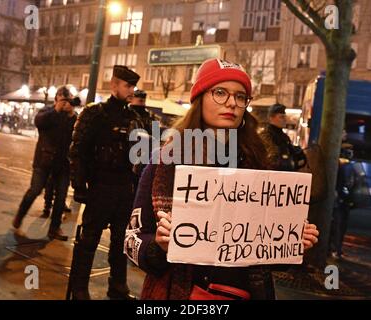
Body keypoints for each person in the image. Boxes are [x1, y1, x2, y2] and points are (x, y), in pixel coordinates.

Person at [124, 58, 319, 300]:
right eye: (220, 92)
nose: (231, 103)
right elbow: (132, 242)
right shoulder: (165, 161)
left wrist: (290, 240)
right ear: (199, 99)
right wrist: (160, 247)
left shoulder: (260, 165)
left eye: (240, 97)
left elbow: (266, 255)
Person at [68, 65, 143, 300]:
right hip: (100, 187)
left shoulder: (135, 118)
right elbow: (77, 150)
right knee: (88, 240)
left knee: (121, 243)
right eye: (127, 86)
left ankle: (118, 286)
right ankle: (80, 288)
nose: (132, 90)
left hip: (124, 189)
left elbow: (142, 157)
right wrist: (80, 187)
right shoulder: (95, 113)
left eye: (133, 86)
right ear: (114, 85)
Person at [12, 85, 77, 241]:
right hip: (44, 161)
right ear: (56, 99)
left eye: (68, 100)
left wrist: (71, 114)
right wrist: (56, 109)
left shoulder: (72, 117)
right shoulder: (47, 112)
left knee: (61, 198)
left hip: (63, 165)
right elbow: (39, 121)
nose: (66, 103)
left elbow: (77, 134)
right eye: (63, 100)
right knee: (35, 190)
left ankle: (54, 228)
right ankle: (19, 216)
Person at [330, 130, 355, 259]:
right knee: (338, 224)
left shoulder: (343, 161)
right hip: (339, 198)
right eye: (342, 132)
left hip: (341, 197)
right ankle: (335, 249)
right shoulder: (338, 157)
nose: (345, 134)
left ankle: (336, 248)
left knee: (340, 224)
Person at [259, 103, 306, 171]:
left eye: (285, 116)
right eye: (281, 117)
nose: (285, 119)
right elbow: (270, 161)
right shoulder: (266, 135)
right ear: (271, 118)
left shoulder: (284, 137)